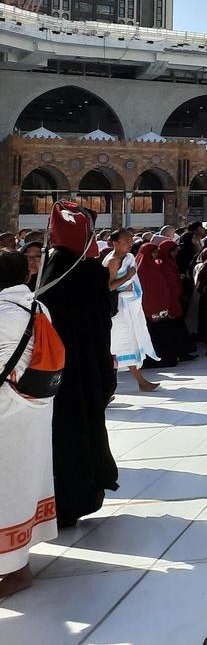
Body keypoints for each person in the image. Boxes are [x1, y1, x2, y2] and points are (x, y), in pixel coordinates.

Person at [36, 201, 118, 527]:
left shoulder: (50, 265)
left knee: (58, 436)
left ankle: (55, 501)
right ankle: (80, 496)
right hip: (82, 370)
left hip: (52, 373)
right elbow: (99, 328)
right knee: (83, 431)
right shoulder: (87, 273)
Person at [0, 251, 59, 598]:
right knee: (23, 481)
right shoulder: (36, 306)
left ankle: (15, 570)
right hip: (34, 406)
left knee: (7, 486)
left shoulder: (3, 313)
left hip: (7, 412)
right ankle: (18, 561)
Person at [104, 229, 158, 391]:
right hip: (118, 311)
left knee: (128, 345)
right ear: (115, 243)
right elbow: (107, 287)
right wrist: (127, 277)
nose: (130, 243)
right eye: (126, 240)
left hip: (129, 307)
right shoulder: (113, 261)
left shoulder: (128, 257)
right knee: (118, 347)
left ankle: (141, 382)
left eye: (131, 240)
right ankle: (110, 388)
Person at [137, 241, 189, 366]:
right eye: (153, 252)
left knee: (163, 334)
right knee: (156, 334)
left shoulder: (155, 266)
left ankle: (167, 358)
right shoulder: (142, 269)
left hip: (160, 308)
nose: (155, 255)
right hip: (151, 309)